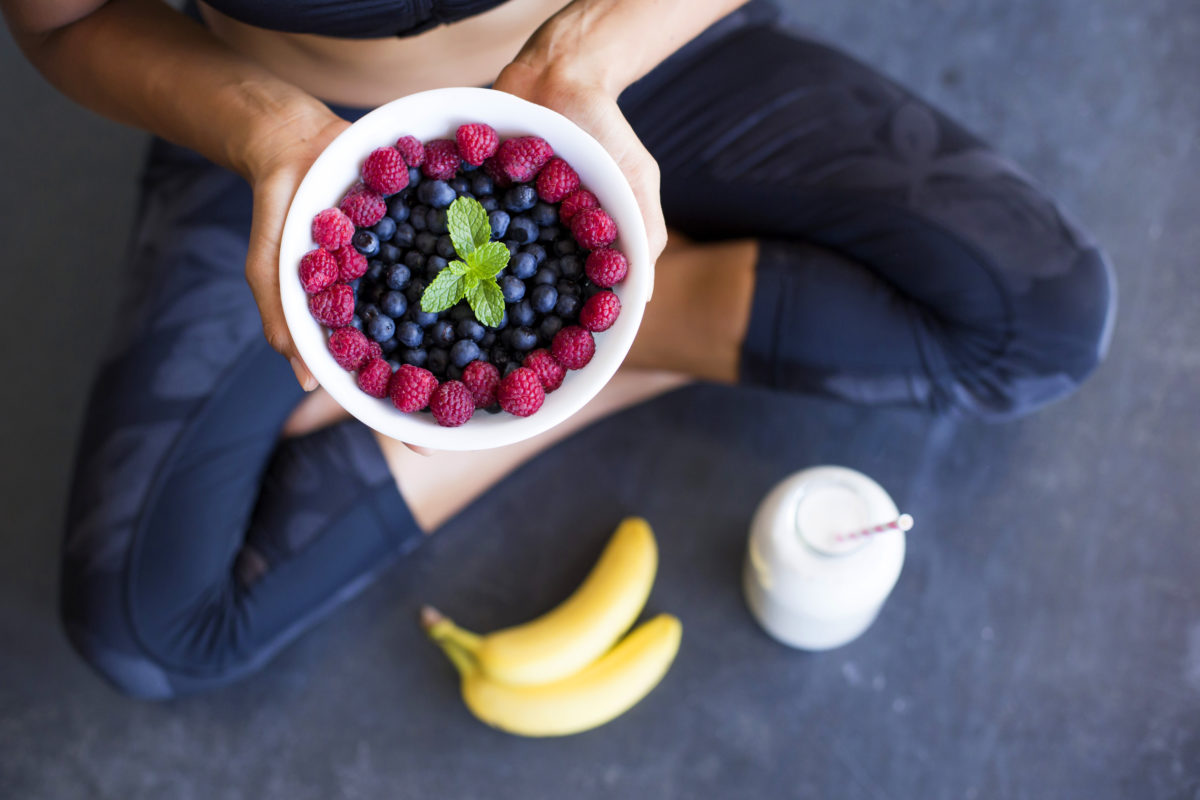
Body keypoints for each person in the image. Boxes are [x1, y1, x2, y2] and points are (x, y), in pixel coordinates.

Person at [3, 0, 1114, 699]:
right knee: (150, 630)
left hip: (633, 59)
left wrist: (590, 49)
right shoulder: (277, 136)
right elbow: (62, 19)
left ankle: (617, 325)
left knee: (1043, 322)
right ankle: (642, 317)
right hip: (293, 141)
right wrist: (264, 127)